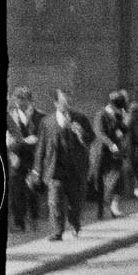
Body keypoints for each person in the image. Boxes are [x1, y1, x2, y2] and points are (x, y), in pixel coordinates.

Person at [29, 88, 90, 241]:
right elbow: (41, 147)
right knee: (54, 201)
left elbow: (91, 138)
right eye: (64, 102)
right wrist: (37, 169)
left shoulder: (80, 118)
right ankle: (58, 231)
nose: (67, 105)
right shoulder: (47, 122)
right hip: (55, 168)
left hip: (75, 169)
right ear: (56, 103)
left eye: (69, 102)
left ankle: (75, 222)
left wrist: (81, 133)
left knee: (75, 203)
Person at [91, 90, 133, 219]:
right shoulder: (101, 115)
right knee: (99, 182)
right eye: (119, 108)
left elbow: (121, 130)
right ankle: (100, 210)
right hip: (101, 152)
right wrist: (110, 144)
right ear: (113, 105)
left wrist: (127, 122)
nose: (121, 110)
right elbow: (99, 132)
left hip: (115, 154)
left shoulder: (118, 115)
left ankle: (114, 208)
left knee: (118, 178)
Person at [6, 86, 43, 231]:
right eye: (17, 99)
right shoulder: (10, 115)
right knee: (17, 190)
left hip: (33, 158)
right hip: (17, 157)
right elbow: (8, 138)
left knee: (32, 189)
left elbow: (44, 137)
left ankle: (34, 219)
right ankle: (19, 221)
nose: (20, 102)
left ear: (30, 100)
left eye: (24, 99)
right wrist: (11, 153)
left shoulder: (39, 116)